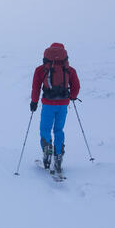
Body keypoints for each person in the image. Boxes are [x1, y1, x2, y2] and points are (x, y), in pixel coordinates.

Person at [30, 43, 80, 173]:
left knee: (45, 129)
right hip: (63, 104)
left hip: (48, 104)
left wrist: (34, 102)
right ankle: (58, 157)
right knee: (58, 130)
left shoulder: (41, 69)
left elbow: (36, 87)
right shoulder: (69, 69)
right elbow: (76, 86)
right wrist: (72, 96)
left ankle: (47, 153)